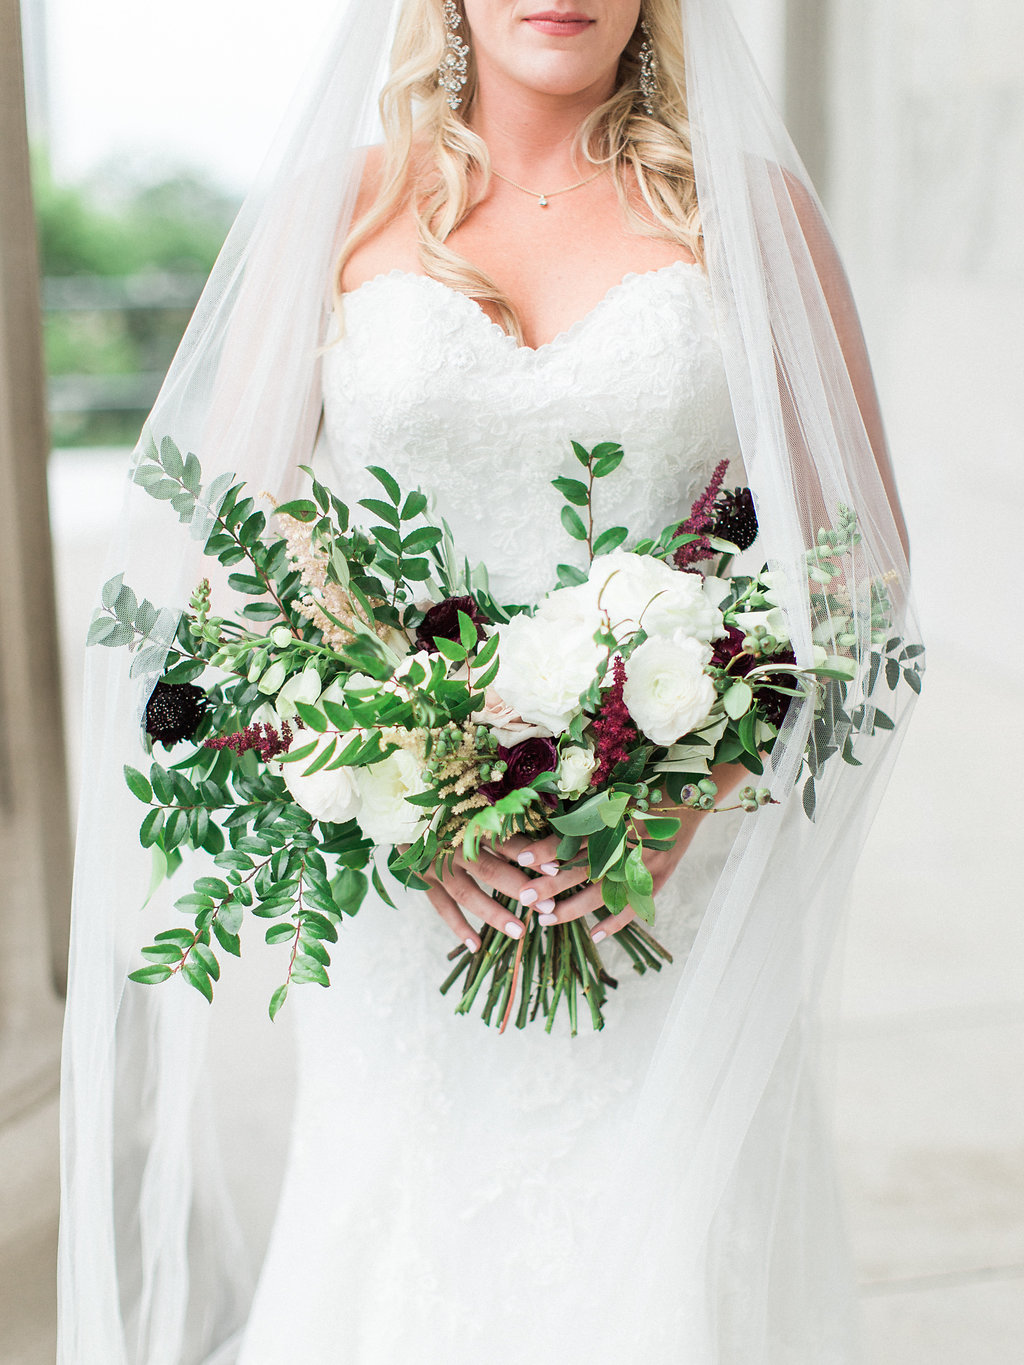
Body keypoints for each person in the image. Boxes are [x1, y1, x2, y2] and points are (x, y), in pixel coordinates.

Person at [58, 4, 920, 1363]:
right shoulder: (339, 209)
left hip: (663, 891)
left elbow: (859, 564)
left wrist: (690, 786)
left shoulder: (747, 213)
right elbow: (231, 566)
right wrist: (406, 801)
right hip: (411, 912)